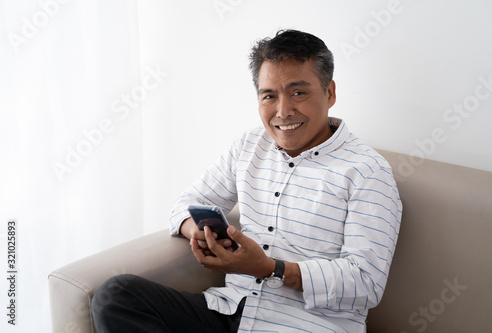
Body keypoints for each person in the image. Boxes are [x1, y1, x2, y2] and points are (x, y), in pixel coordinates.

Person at [91, 29, 402, 333]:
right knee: (117, 296)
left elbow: (366, 283)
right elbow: (186, 204)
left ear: (330, 92)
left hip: (307, 324)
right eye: (270, 96)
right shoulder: (250, 146)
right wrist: (199, 232)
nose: (283, 111)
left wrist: (270, 268)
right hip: (229, 311)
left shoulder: (368, 172)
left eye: (298, 92)